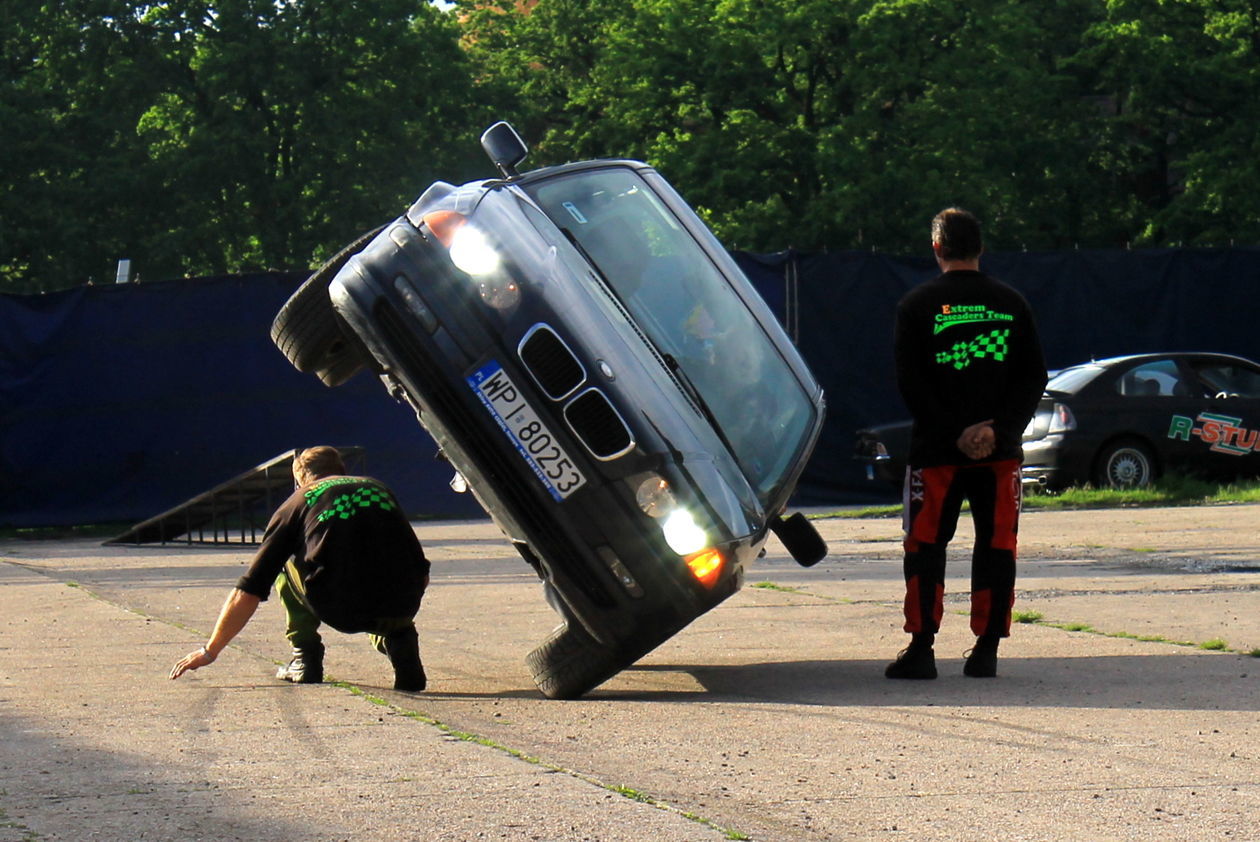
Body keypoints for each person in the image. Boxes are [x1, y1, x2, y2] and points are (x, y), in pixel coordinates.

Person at [886, 208, 1047, 680]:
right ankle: (987, 649)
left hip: (937, 453)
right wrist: (998, 430)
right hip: (998, 456)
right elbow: (1033, 375)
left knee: (925, 546)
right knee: (998, 546)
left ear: (936, 248)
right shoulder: (1011, 302)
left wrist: (955, 431)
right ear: (980, 249)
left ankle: (921, 648)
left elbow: (911, 383)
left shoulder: (916, 305)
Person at [170, 446, 431, 691]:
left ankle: (305, 658)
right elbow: (415, 559)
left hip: (340, 607)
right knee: (380, 563)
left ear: (299, 479)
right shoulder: (377, 487)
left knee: (282, 561)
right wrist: (401, 609)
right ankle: (399, 641)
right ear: (341, 469)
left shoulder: (297, 501)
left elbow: (250, 588)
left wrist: (209, 650)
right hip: (404, 603)